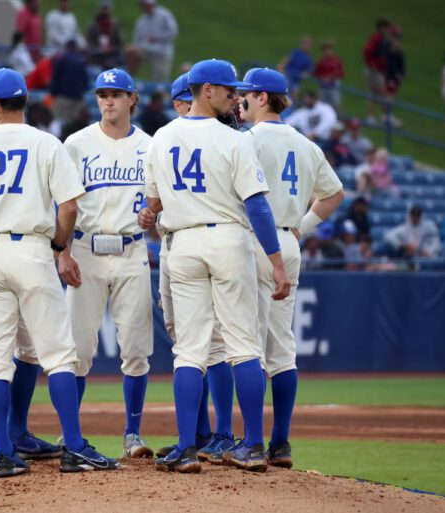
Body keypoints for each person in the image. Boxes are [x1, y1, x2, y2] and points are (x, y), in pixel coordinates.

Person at [0, 67, 119, 477]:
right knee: (56, 353)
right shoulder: (46, 143)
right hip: (33, 249)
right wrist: (58, 246)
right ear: (26, 102)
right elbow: (70, 206)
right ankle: (73, 446)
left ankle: (4, 453)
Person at [139, 59, 290, 474]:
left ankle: (187, 448)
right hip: (227, 238)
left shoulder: (162, 137)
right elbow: (257, 205)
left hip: (183, 242)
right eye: (227, 90)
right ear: (205, 89)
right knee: (243, 344)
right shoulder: (233, 140)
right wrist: (277, 263)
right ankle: (254, 446)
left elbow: (151, 202)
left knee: (189, 350)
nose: (234, 97)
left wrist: (148, 215)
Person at [237, 67, 344, 468]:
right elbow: (334, 193)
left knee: (247, 344)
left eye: (246, 94)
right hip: (288, 241)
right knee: (281, 348)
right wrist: (302, 227)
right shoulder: (305, 144)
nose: (240, 100)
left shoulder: (246, 140)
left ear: (263, 97)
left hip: (255, 241)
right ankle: (281, 443)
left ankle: (250, 442)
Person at [60, 69, 153, 459]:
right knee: (77, 348)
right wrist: (61, 251)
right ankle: (72, 436)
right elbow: (60, 202)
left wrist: (155, 219)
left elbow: (162, 202)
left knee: (136, 347)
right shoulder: (76, 144)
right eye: (103, 94)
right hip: (85, 250)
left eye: (116, 94)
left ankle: (132, 434)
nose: (108, 101)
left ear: (133, 98)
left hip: (132, 249)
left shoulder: (152, 146)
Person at [151, 72, 237, 464]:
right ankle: (199, 433)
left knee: (211, 342)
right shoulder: (172, 135)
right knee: (183, 338)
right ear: (177, 102)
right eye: (181, 99)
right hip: (174, 242)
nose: (186, 105)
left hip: (199, 241)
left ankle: (222, 433)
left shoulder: (213, 135)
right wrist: (148, 214)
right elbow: (154, 203)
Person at [126, 0, 178, 81]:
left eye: (144, 4)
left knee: (161, 79)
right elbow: (136, 40)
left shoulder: (164, 15)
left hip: (162, 52)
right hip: (146, 51)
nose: (142, 7)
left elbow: (173, 32)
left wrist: (157, 37)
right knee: (131, 50)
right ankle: (130, 79)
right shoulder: (141, 21)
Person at [49, 40, 88, 125]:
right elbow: (85, 81)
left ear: (66, 48)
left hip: (63, 98)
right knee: (75, 126)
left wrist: (53, 93)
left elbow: (55, 78)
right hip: (78, 98)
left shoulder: (61, 59)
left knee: (59, 124)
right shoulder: (81, 61)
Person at [362, 19, 392, 124]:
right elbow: (367, 51)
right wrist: (372, 65)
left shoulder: (381, 39)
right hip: (374, 71)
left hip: (378, 70)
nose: (387, 30)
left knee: (379, 93)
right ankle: (373, 116)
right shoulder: (376, 38)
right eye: (386, 28)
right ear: (381, 28)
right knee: (374, 93)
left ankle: (384, 116)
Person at [86, 0, 123, 70]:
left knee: (110, 64)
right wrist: (98, 48)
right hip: (96, 53)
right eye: (104, 9)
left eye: (107, 9)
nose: (105, 11)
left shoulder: (115, 25)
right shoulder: (93, 25)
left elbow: (119, 42)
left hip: (112, 54)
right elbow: (89, 41)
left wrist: (112, 48)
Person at [277, 35, 313, 101]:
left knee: (294, 96)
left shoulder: (308, 58)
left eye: (307, 43)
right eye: (304, 43)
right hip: (288, 75)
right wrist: (281, 66)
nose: (305, 45)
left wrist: (304, 74)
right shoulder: (295, 52)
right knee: (283, 91)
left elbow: (308, 71)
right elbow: (286, 60)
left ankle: (292, 108)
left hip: (296, 80)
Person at [313, 41, 344, 109]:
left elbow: (341, 73)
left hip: (333, 85)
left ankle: (335, 117)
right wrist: (322, 78)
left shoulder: (336, 61)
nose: (327, 52)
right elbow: (316, 74)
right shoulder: (320, 62)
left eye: (329, 50)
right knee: (322, 104)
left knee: (335, 104)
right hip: (323, 86)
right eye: (325, 50)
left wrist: (332, 77)